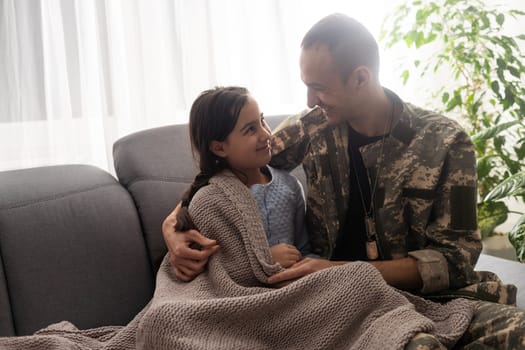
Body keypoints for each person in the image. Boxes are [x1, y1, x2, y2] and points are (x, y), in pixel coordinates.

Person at [163, 14, 525, 348]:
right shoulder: (312, 126)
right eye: (306, 86)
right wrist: (174, 226)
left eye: (318, 87)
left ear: (361, 78)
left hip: (429, 298)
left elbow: (455, 260)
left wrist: (340, 270)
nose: (309, 100)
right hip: (337, 303)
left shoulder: (446, 142)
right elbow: (231, 169)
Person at [176, 86, 316, 269]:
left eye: (262, 120)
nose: (266, 134)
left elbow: (304, 249)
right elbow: (215, 269)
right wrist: (266, 260)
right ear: (219, 148)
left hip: (291, 284)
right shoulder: (211, 202)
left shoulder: (290, 186)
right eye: (250, 129)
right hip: (239, 293)